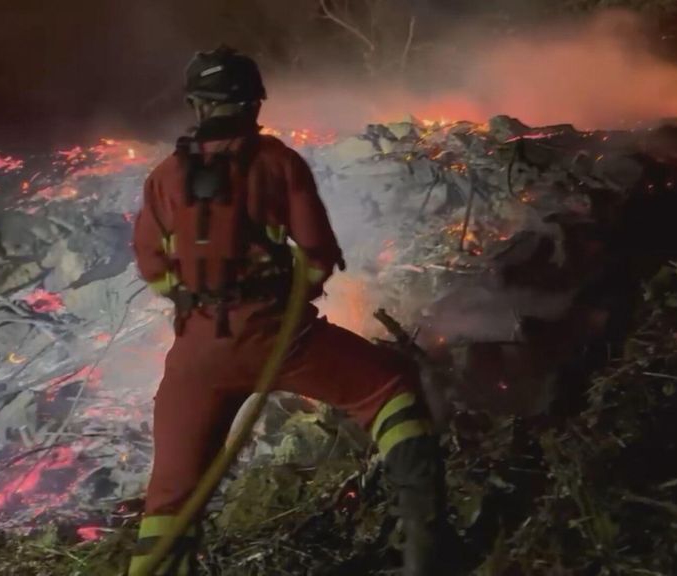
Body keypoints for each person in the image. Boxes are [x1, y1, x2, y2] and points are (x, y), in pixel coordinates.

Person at [130, 46, 445, 576]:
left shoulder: (164, 177)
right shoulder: (276, 162)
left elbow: (150, 261)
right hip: (281, 340)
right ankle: (429, 552)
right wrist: (302, 288)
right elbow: (318, 250)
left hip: (197, 357)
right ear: (254, 104)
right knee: (389, 391)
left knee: (170, 498)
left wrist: (192, 300)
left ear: (195, 105)